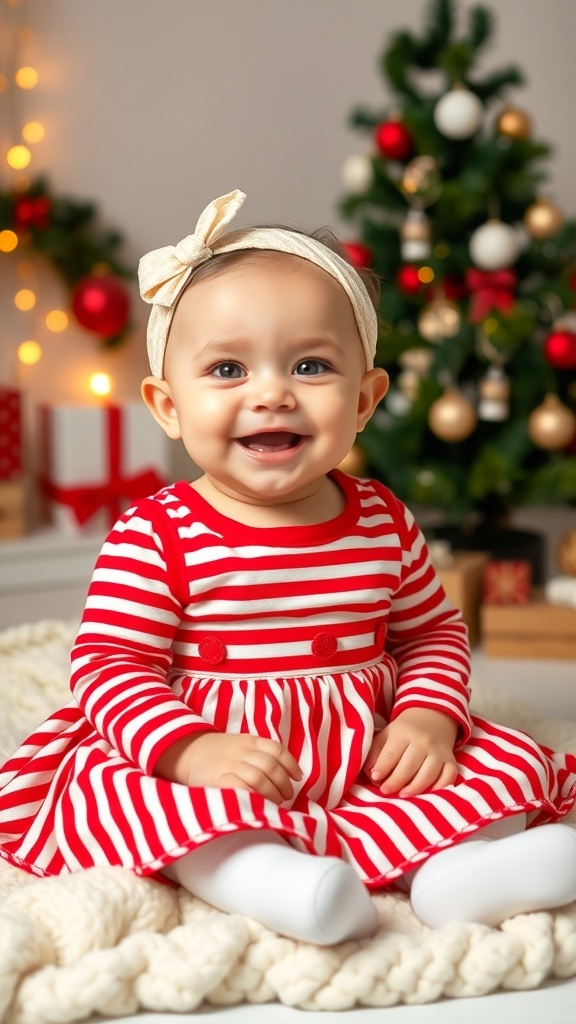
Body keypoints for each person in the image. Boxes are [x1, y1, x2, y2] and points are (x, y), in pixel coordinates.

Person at [1, 189, 575, 946]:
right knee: (146, 807)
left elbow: (431, 636)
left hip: (360, 747)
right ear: (168, 406)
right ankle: (269, 880)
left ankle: (457, 873)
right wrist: (188, 748)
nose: (272, 393)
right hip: (211, 743)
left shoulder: (381, 519)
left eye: (310, 366)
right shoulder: (159, 532)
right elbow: (111, 663)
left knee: (489, 767)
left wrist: (426, 718)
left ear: (365, 399)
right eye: (229, 369)